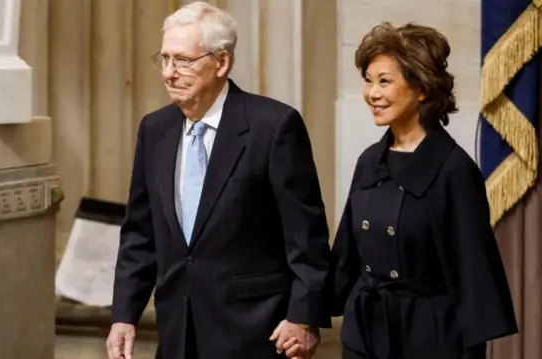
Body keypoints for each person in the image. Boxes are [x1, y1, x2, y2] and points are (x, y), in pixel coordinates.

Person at [106, 2, 332, 359]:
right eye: (164, 59)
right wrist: (124, 316)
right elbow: (140, 232)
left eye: (182, 60)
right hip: (178, 328)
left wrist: (303, 318)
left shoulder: (273, 126)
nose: (169, 72)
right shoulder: (155, 129)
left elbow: (306, 235)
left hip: (256, 331)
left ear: (221, 62)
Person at [284, 22, 519, 359]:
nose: (372, 94)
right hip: (364, 331)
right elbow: (346, 257)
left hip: (430, 338)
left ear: (421, 87)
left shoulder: (453, 170)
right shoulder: (370, 161)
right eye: (368, 81)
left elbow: (473, 276)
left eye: (384, 81)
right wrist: (304, 317)